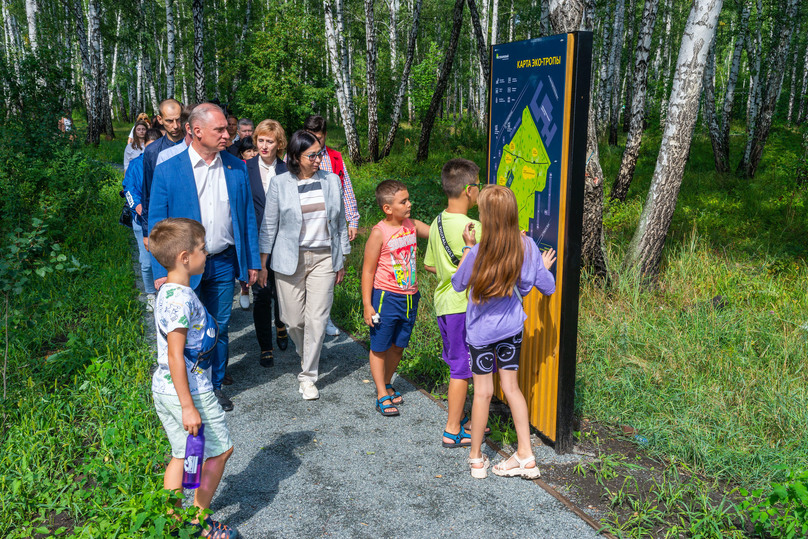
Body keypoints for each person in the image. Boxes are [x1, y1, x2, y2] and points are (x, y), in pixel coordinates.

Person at [148, 103, 261, 413]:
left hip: (224, 261)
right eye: (220, 130)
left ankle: (214, 387)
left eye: (227, 129)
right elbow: (157, 224)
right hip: (183, 267)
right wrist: (162, 268)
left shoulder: (236, 167)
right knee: (184, 331)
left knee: (218, 327)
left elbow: (247, 217)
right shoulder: (169, 169)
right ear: (196, 131)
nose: (228, 134)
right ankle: (185, 390)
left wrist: (251, 261)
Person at [451, 185, 556, 479]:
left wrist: (468, 248)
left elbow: (459, 284)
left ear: (485, 216)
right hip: (511, 330)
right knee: (512, 389)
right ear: (512, 214)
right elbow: (544, 286)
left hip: (481, 334)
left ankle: (476, 460)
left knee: (483, 392)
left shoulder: (478, 251)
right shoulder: (528, 247)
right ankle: (526, 456)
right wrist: (542, 267)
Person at [148, 217, 238, 539]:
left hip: (165, 388)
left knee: (180, 453)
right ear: (185, 258)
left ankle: (171, 520)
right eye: (202, 249)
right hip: (189, 392)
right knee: (220, 451)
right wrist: (189, 406)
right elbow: (175, 354)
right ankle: (198, 523)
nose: (207, 253)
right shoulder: (181, 299)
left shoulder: (170, 290)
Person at [257, 130, 349, 400]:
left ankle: (308, 376)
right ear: (295, 157)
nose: (319, 159)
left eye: (320, 153)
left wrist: (341, 258)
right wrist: (263, 263)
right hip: (289, 260)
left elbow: (340, 221)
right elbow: (269, 224)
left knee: (317, 320)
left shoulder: (331, 181)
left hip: (323, 259)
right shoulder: (280, 183)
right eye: (313, 155)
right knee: (294, 320)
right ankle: (305, 350)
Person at [423, 158, 487, 446]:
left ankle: (463, 418)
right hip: (465, 305)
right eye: (479, 185)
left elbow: (429, 265)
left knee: (457, 364)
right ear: (469, 190)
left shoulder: (436, 222)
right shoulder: (474, 227)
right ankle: (452, 429)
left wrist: (452, 272)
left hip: (444, 304)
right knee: (462, 369)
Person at [361, 180, 429, 416]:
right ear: (388, 208)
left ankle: (387, 381)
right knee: (380, 346)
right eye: (404, 201)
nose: (409, 204)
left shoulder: (411, 225)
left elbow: (437, 233)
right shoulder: (380, 232)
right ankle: (381, 393)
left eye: (408, 199)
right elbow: (368, 270)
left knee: (399, 346)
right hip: (385, 297)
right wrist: (367, 305)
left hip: (411, 297)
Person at [303, 115, 360, 337]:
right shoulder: (295, 154)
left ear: (325, 135)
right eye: (310, 137)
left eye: (318, 137)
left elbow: (346, 189)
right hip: (305, 226)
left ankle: (324, 317)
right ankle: (306, 317)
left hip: (330, 225)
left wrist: (352, 219)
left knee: (329, 275)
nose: (315, 143)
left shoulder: (335, 158)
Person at [246, 120, 289, 367]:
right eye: (260, 140)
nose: (264, 145)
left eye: (269, 141)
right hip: (255, 241)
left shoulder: (287, 170)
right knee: (261, 294)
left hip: (283, 242)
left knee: (282, 292)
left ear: (279, 144)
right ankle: (265, 345)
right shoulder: (245, 168)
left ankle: (281, 324)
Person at [123, 127, 163, 311]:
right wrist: (139, 209)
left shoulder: (167, 163)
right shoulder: (135, 165)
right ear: (144, 146)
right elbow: (129, 190)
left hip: (164, 223)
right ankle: (150, 293)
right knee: (146, 262)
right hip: (141, 221)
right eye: (149, 147)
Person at [140, 99, 186, 244]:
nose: (175, 126)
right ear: (159, 120)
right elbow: (147, 191)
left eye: (178, 120)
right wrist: (147, 230)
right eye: (169, 121)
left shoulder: (194, 146)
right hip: (165, 220)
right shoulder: (153, 151)